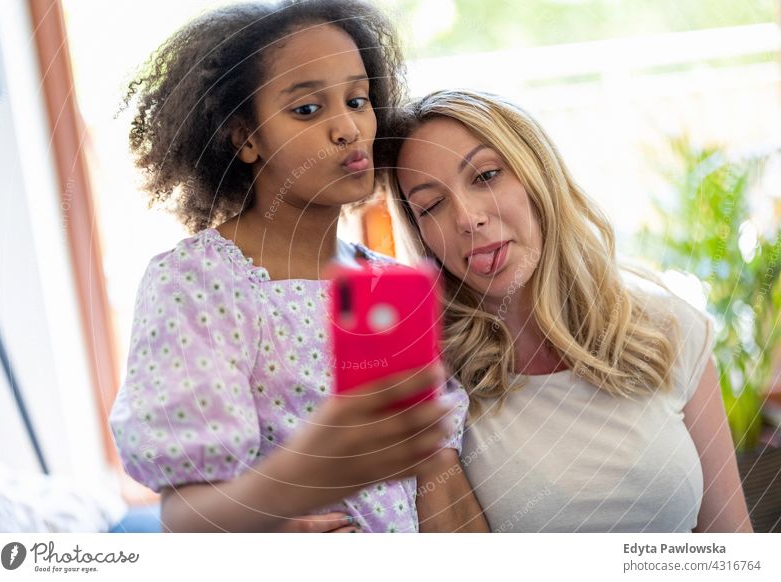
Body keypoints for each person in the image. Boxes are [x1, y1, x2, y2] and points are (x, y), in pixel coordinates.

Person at [110, 2, 487, 533]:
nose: (349, 129)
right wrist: (287, 500)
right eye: (307, 110)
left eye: (358, 100)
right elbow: (184, 516)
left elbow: (438, 477)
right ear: (245, 137)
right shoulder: (198, 283)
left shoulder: (383, 285)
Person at [383, 88, 753, 532]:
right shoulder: (432, 379)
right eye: (432, 206)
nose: (467, 218)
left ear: (538, 173)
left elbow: (732, 548)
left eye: (485, 176)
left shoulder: (670, 329)